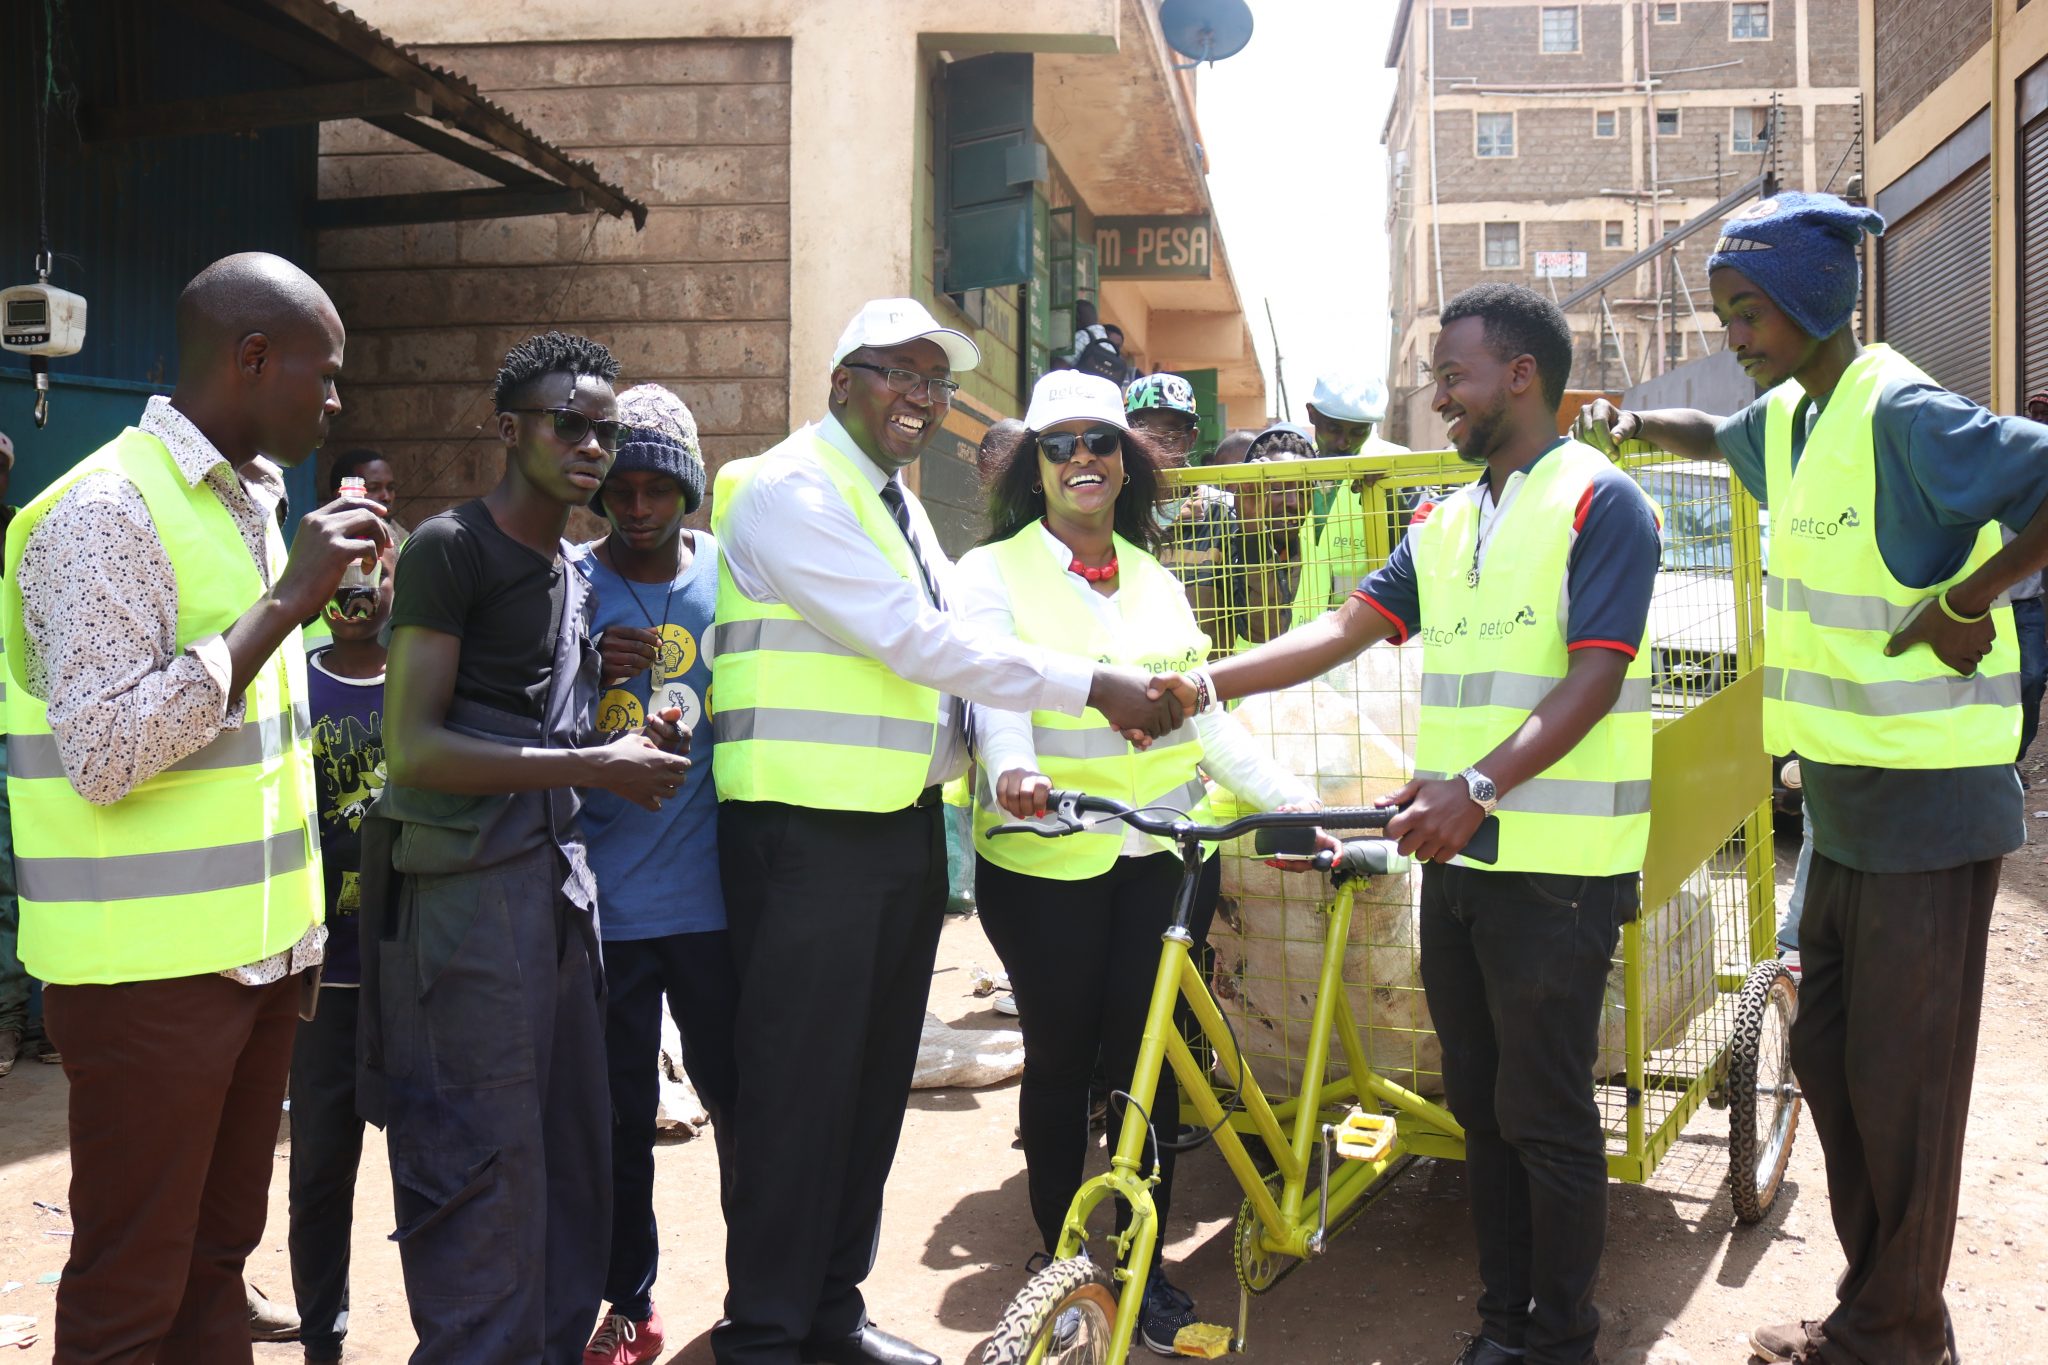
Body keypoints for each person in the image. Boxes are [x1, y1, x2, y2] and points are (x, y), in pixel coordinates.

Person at [1576, 191, 2048, 1365]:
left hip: (1926, 806)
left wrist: (1965, 601)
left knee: (1904, 1095)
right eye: (1724, 314)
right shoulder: (1793, 419)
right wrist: (1631, 423)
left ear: (1810, 302)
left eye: (1745, 313)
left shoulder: (1899, 410)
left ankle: (1888, 1335)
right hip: (1840, 803)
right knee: (1830, 1061)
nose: (1732, 334)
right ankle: (1882, 1314)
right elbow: (1716, 437)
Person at [1163, 283, 1663, 1365]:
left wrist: (1473, 786)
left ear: (1519, 375)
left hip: (1560, 874)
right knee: (1480, 1113)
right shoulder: (1446, 518)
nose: (1437, 397)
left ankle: (1561, 1339)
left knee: (1546, 1116)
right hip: (1463, 866)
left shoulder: (1599, 502)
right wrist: (1197, 685)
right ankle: (1501, 1322)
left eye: (1453, 375)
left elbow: (1593, 679)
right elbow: (1343, 628)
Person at [707, 297, 1182, 1365]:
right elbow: (917, 642)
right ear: (842, 381)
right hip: (802, 836)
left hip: (893, 834)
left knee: (870, 1091)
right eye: (897, 373)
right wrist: (1093, 686)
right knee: (798, 1096)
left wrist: (1008, 761)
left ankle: (829, 1312)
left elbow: (949, 665)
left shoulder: (898, 506)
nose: (919, 397)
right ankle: (767, 1334)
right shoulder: (790, 491)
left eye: (935, 380)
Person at [2, 252, 391, 1364]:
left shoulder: (254, 502)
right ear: (251, 358)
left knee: (216, 1265)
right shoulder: (103, 514)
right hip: (147, 981)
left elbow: (252, 721)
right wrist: (284, 604)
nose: (334, 401)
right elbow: (106, 750)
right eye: (324, 375)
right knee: (134, 1285)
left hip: (259, 959)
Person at [959, 372, 1326, 1355]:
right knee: (1062, 1057)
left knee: (1144, 1060)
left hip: (1160, 855)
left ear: (1127, 463)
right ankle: (1060, 1254)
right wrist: (1015, 772)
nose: (1084, 459)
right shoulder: (988, 573)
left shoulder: (1156, 578)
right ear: (1032, 469)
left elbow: (1206, 719)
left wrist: (1291, 809)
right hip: (1042, 863)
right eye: (1060, 445)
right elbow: (992, 696)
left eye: (1101, 442)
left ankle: (1146, 1262)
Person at [363, 331, 692, 1365]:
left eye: (605, 429)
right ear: (509, 429)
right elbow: (413, 746)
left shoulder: (567, 573)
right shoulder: (450, 548)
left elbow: (528, 727)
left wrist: (614, 716)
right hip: (465, 904)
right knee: (478, 1161)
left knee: (570, 1158)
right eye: (569, 425)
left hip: (555, 891)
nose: (592, 446)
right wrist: (598, 770)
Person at [572, 384, 737, 1365]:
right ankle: (627, 1302)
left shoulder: (727, 576)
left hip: (713, 903)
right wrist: (587, 669)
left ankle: (760, 1286)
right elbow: (520, 724)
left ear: (688, 491)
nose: (637, 509)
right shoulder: (569, 584)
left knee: (738, 1102)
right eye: (621, 491)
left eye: (658, 490)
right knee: (618, 1120)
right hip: (605, 905)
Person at [289, 532, 398, 1365]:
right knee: (321, 1169)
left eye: (374, 575)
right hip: (321, 979)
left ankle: (454, 1327)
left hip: (413, 972)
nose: (356, 597)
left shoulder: (426, 683)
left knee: (433, 1165)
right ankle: (322, 1334)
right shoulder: (295, 684)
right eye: (342, 579)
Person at [1295, 372, 1412, 618]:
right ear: (1312, 414)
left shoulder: (1396, 465)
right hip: (1298, 631)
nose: (1344, 443)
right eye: (1334, 428)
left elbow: (1415, 550)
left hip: (1366, 633)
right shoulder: (1294, 467)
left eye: (1359, 432)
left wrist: (1389, 494)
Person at [1134, 374, 1236, 649]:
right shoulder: (1105, 512)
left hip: (1200, 685)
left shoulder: (1224, 514)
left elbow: (1265, 627)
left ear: (1191, 439)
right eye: (1141, 433)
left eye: (1167, 434)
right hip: (1123, 686)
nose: (1152, 445)